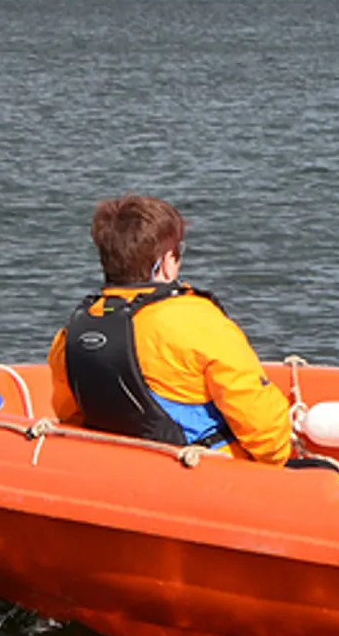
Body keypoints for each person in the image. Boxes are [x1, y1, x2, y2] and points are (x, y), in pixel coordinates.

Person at [48, 194, 294, 465]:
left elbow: (69, 414)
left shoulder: (72, 333)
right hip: (203, 475)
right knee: (323, 470)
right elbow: (267, 437)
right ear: (166, 262)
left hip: (120, 470)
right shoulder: (198, 323)